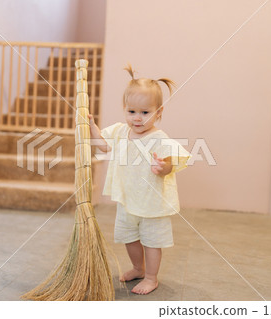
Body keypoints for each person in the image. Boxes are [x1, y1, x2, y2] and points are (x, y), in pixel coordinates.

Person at [88, 65, 190, 295]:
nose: (137, 118)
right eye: (132, 111)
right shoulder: (120, 131)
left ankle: (151, 277)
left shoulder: (159, 139)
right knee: (130, 237)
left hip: (151, 203)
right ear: (125, 109)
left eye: (145, 113)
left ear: (159, 112)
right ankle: (138, 267)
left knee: (152, 241)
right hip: (128, 199)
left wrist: (163, 167)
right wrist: (92, 128)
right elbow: (103, 146)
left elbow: (173, 163)